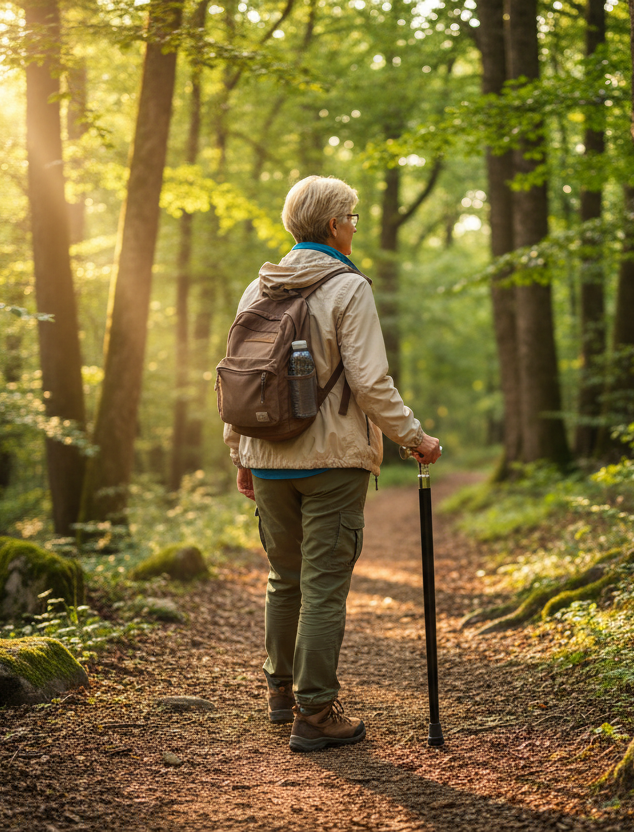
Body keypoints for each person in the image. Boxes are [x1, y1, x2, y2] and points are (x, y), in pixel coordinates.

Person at [225, 175, 442, 752]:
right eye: (351, 216)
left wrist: (240, 451)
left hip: (267, 456)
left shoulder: (259, 286)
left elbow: (238, 379)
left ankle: (280, 692)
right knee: (323, 587)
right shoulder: (348, 288)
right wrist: (414, 437)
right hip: (333, 459)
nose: (355, 226)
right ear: (332, 226)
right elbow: (371, 382)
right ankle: (315, 712)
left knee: (285, 579)